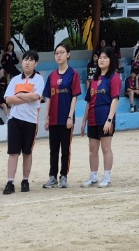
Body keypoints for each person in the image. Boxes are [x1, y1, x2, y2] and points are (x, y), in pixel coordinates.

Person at [2, 49, 43, 195]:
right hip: (15, 120)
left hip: (31, 120)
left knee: (27, 152)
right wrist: (26, 96)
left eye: (31, 60)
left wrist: (19, 95)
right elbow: (8, 99)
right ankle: (10, 182)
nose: (27, 62)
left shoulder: (38, 79)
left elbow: (36, 97)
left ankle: (25, 180)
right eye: (25, 59)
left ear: (35, 63)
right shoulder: (15, 80)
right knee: (13, 152)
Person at [41, 42, 82, 189]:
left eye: (62, 52)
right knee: (53, 149)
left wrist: (70, 116)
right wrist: (46, 117)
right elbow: (48, 97)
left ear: (68, 54)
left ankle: (63, 175)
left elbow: (74, 96)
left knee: (65, 148)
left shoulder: (73, 74)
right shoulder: (51, 76)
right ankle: (52, 176)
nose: (58, 55)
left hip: (66, 118)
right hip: (53, 118)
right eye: (56, 53)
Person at [84, 50, 120, 188]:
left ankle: (107, 177)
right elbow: (89, 101)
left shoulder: (114, 77)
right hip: (92, 118)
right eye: (100, 57)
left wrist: (109, 119)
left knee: (106, 148)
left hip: (105, 117)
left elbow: (115, 99)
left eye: (105, 57)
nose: (101, 60)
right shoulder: (94, 79)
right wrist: (83, 122)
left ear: (111, 60)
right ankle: (93, 176)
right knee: (92, 150)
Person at [0, 41, 19, 124]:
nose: (10, 47)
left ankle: (14, 116)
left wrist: (16, 59)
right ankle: (7, 117)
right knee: (8, 70)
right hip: (7, 67)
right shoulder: (5, 54)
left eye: (11, 46)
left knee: (18, 74)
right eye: (8, 46)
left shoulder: (14, 54)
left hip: (12, 67)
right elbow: (3, 62)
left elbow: (16, 61)